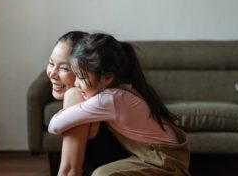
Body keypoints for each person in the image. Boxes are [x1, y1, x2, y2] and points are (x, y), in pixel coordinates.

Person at [49, 33, 191, 176]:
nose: (76, 83)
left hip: (165, 162)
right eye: (50, 63)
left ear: (108, 77)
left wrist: (69, 107)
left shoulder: (109, 99)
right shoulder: (122, 90)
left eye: (80, 77)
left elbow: (54, 126)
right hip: (161, 158)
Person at [47, 31, 128, 176]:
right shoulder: (104, 93)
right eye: (51, 63)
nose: (52, 73)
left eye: (64, 68)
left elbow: (70, 171)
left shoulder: (75, 95)